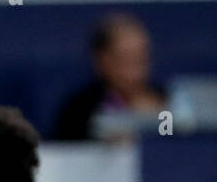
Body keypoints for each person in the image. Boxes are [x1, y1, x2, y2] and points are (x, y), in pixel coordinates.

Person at [53, 14, 168, 142]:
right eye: (127, 59)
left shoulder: (165, 101)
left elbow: (179, 144)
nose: (138, 71)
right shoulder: (79, 111)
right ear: (103, 60)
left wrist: (156, 120)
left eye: (142, 58)